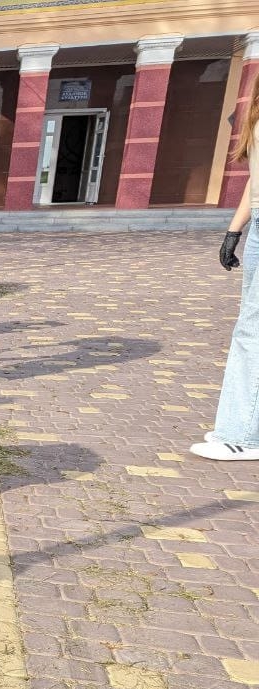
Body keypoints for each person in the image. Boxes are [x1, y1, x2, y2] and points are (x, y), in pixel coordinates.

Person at [191, 69, 259, 461]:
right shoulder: (255, 115)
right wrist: (234, 231)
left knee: (252, 331)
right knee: (250, 329)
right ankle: (239, 424)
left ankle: (243, 434)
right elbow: (256, 181)